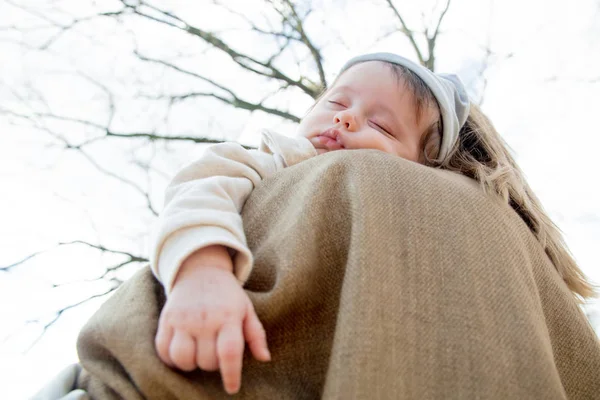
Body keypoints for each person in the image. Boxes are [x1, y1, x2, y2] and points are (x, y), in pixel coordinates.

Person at [149, 53, 595, 395]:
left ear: (421, 167)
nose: (345, 117)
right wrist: (203, 273)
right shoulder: (271, 161)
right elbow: (200, 189)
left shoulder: (416, 216)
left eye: (380, 125)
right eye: (336, 101)